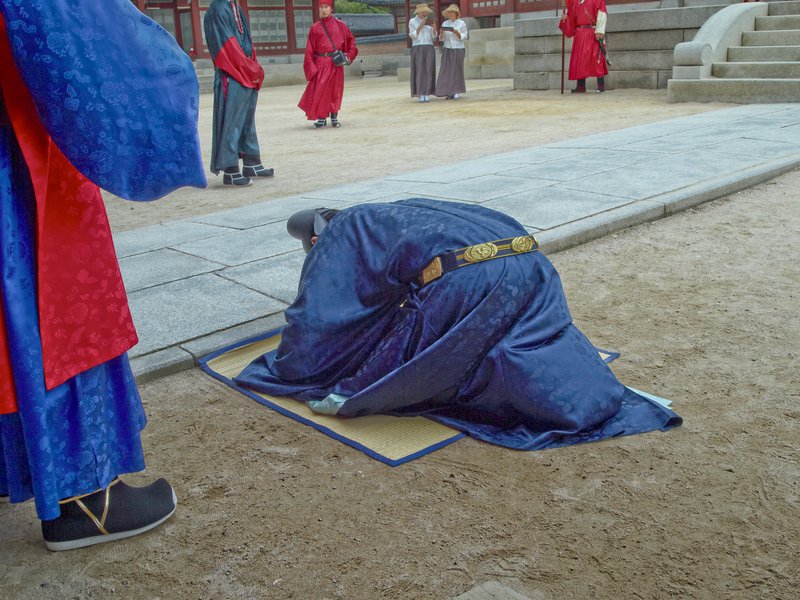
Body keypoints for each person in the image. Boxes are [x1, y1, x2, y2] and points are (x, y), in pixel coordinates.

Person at [0, 1, 206, 550]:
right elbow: (73, 30)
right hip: (13, 146)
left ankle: (11, 461)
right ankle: (85, 495)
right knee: (53, 299)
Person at [235, 199, 681, 451]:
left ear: (315, 237)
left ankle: (548, 403)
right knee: (534, 342)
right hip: (533, 265)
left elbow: (318, 315)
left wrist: (290, 366)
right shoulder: (397, 212)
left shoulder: (339, 234)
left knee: (450, 367)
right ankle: (587, 393)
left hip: (473, 280)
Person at [204, 0, 275, 186]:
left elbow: (247, 40)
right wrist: (248, 68)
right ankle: (231, 170)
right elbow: (227, 48)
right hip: (231, 72)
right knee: (232, 122)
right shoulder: (218, 8)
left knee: (247, 120)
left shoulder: (235, 6)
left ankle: (252, 163)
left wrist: (252, 65)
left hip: (245, 69)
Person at [299, 0, 359, 129]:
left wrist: (348, 56)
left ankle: (334, 117)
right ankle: (321, 118)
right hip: (321, 63)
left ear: (331, 9)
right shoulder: (314, 28)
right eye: (321, 7)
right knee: (321, 90)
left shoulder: (341, 26)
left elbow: (352, 43)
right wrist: (311, 67)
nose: (323, 9)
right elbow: (309, 50)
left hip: (336, 63)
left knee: (335, 91)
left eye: (326, 7)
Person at [559, 0, 609, 93]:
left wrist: (599, 31)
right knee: (580, 60)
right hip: (580, 34)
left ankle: (601, 86)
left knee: (596, 59)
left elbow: (602, 13)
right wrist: (565, 19)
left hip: (592, 33)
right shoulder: (576, 2)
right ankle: (581, 86)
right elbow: (572, 19)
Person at [435, 4, 468, 100]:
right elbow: (441, 39)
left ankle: (457, 91)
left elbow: (464, 36)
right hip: (447, 48)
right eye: (449, 12)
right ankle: (448, 91)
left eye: (452, 12)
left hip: (458, 48)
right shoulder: (445, 23)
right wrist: (441, 34)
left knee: (457, 70)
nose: (450, 14)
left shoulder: (462, 23)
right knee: (446, 70)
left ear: (456, 13)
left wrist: (457, 33)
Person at [409, 4, 437, 103]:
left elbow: (434, 37)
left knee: (429, 69)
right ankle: (421, 93)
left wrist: (434, 28)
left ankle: (427, 93)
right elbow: (413, 35)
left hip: (429, 46)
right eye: (423, 12)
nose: (425, 13)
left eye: (426, 12)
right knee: (420, 70)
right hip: (418, 46)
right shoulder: (412, 21)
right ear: (418, 12)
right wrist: (422, 24)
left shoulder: (429, 21)